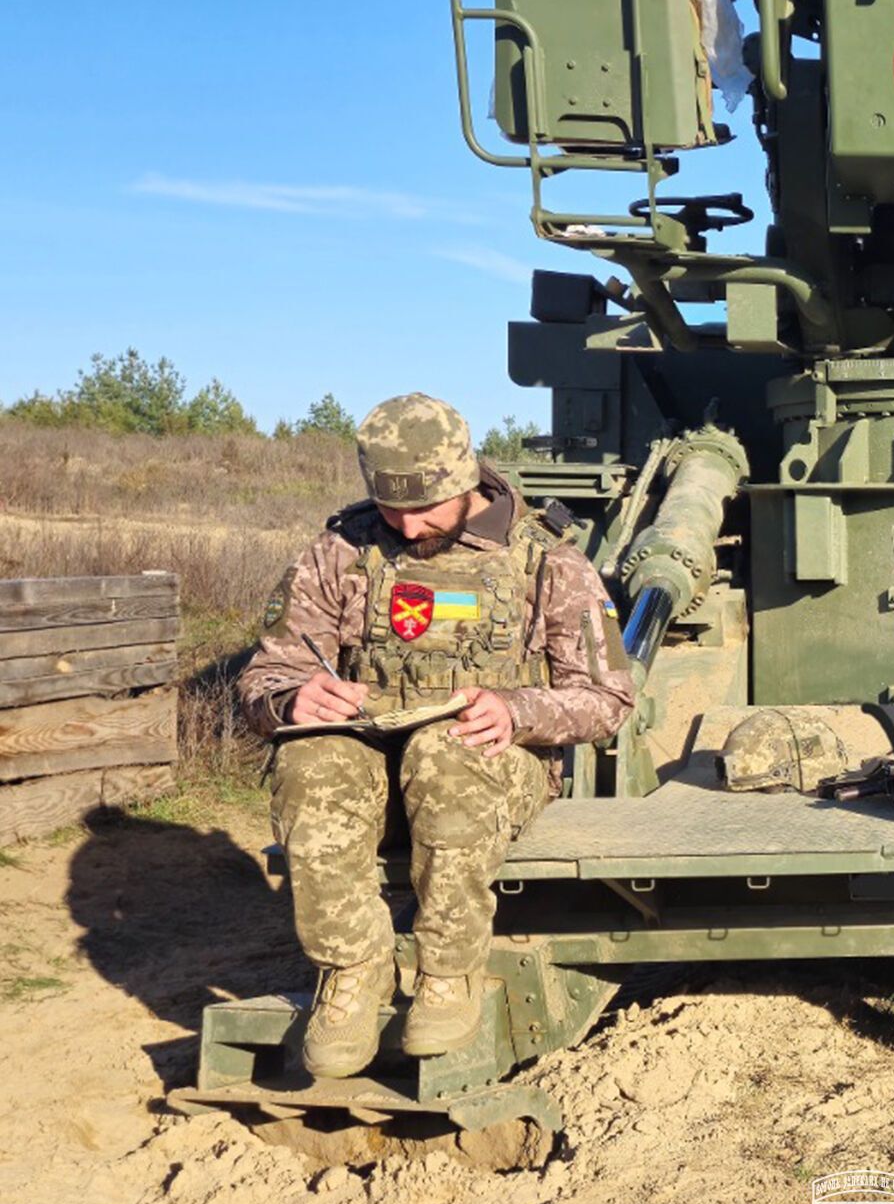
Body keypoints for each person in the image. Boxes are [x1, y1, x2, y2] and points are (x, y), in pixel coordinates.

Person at [238, 393, 635, 1078]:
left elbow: (607, 699)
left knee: (444, 752)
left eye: (425, 507)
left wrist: (517, 710)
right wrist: (292, 698)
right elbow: (264, 675)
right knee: (310, 762)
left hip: (485, 765)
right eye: (392, 508)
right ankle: (351, 974)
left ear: (465, 482)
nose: (408, 525)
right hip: (370, 763)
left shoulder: (547, 562)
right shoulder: (342, 552)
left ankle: (447, 972)